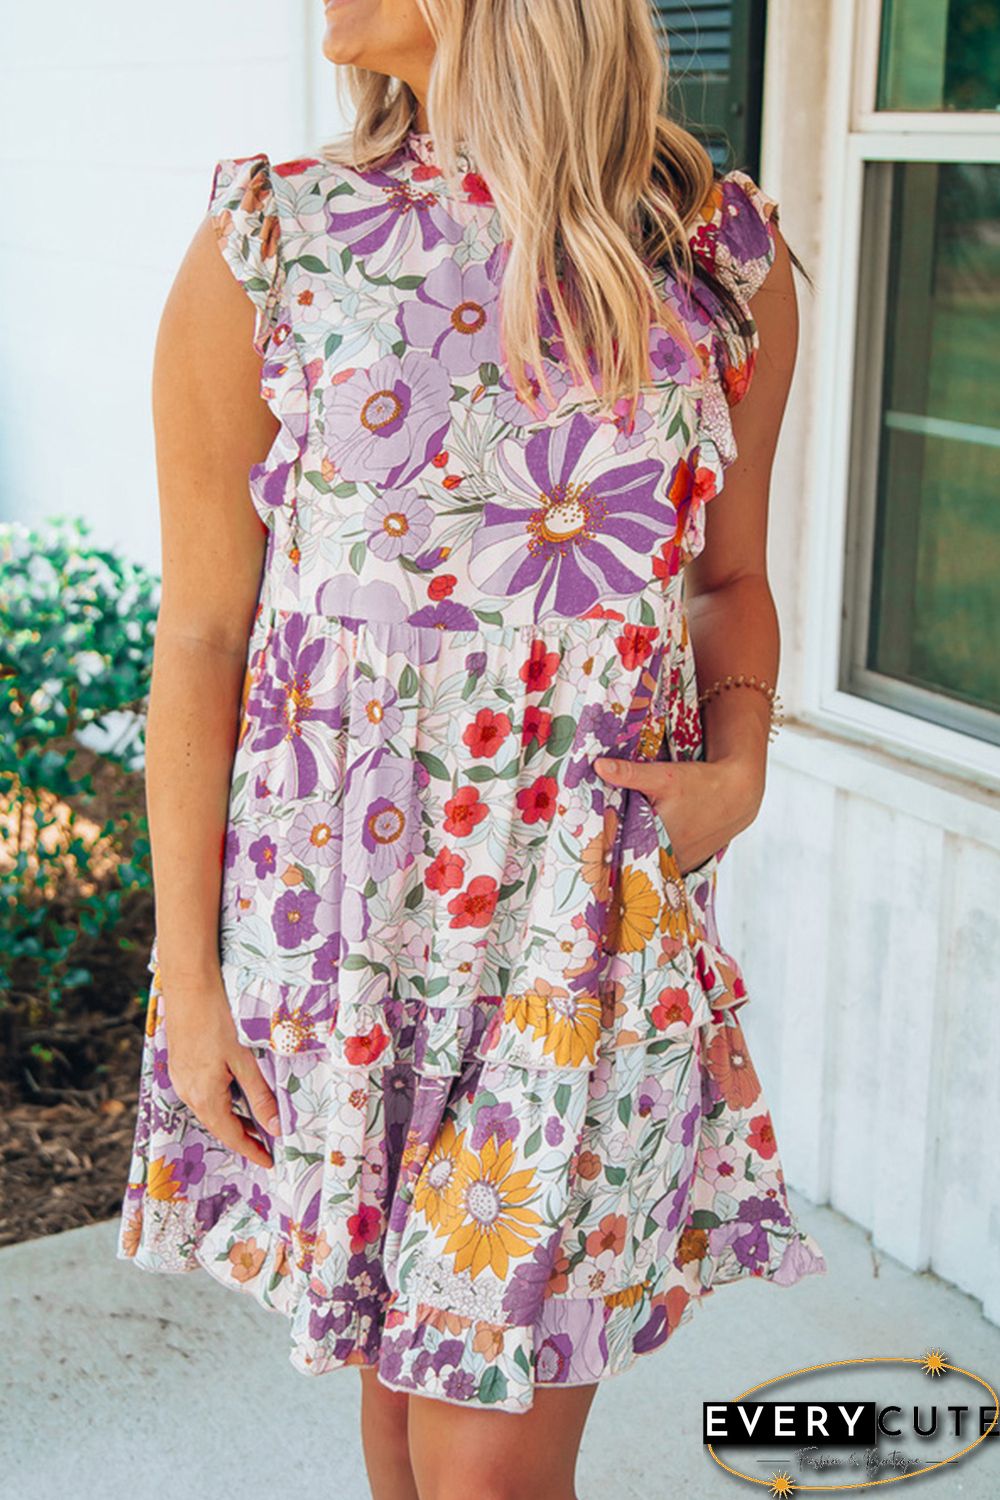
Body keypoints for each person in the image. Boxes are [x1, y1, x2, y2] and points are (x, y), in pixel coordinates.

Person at [116, 0, 828, 1494]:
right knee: (396, 1412)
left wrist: (742, 769)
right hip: (340, 930)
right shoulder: (273, 241)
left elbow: (730, 582)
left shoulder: (713, 254)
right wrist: (189, 983)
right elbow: (203, 637)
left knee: (485, 1467)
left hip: (582, 932)